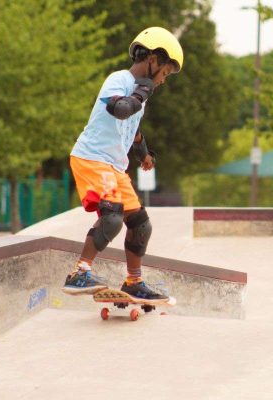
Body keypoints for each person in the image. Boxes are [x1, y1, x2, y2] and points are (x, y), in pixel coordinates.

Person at [62, 27, 183, 300]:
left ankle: (133, 282)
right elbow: (119, 110)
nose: (163, 81)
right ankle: (79, 273)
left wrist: (144, 154)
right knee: (112, 215)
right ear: (152, 59)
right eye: (164, 73)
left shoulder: (140, 94)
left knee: (140, 224)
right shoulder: (119, 80)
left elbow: (133, 131)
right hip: (91, 158)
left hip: (115, 167)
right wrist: (141, 92)